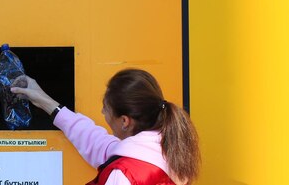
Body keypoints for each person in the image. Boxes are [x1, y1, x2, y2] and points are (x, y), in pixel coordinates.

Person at [11, 68, 200, 185]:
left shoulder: (123, 174)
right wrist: (45, 101)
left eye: (106, 108)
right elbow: (96, 141)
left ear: (125, 121)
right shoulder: (170, 152)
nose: (102, 113)